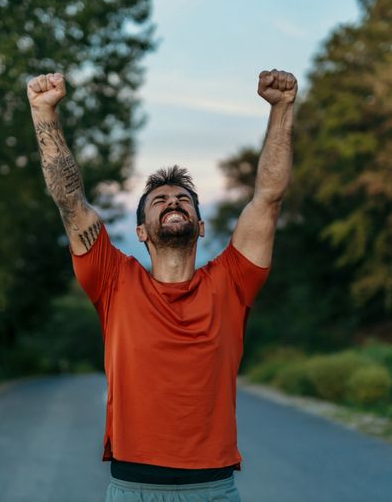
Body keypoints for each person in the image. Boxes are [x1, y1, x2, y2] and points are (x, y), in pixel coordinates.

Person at [26, 68, 296, 502]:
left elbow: (268, 197)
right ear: (141, 231)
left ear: (201, 224)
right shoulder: (113, 280)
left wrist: (282, 109)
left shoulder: (232, 281)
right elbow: (69, 200)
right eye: (159, 200)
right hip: (134, 488)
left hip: (213, 489)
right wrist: (44, 114)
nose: (173, 201)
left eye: (183, 199)